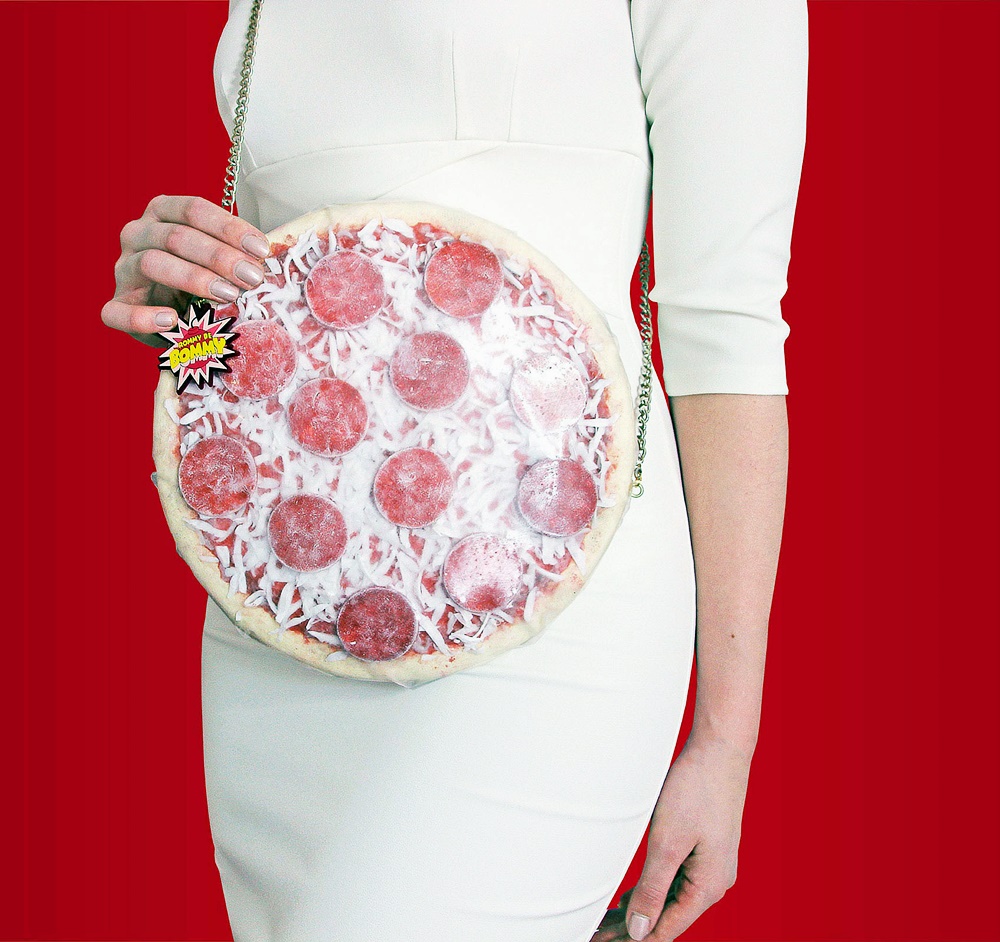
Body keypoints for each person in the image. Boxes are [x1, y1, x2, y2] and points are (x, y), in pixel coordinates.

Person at [102, 1, 807, 939]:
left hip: (541, 599)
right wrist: (187, 302)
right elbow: (297, 304)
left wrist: (725, 739)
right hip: (285, 613)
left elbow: (728, 333)